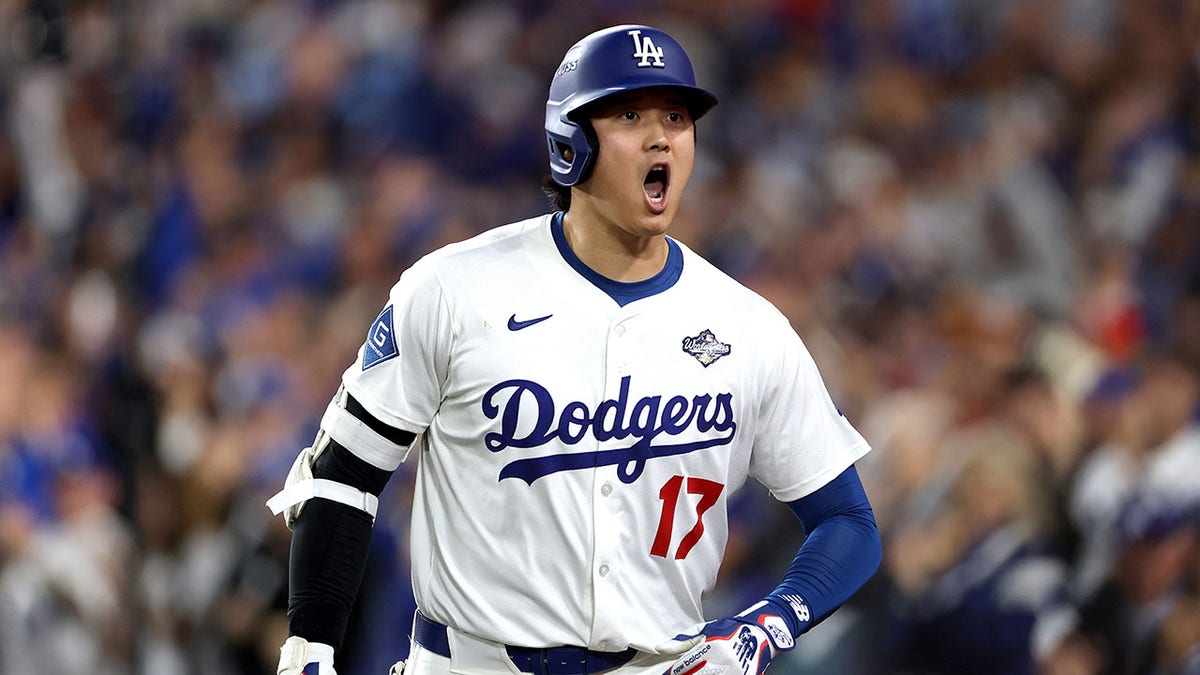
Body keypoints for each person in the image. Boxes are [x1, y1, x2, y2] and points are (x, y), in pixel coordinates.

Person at [268, 24, 882, 675]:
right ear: (570, 143)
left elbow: (848, 522)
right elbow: (344, 473)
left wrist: (766, 625)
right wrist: (311, 644)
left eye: (677, 116)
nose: (660, 136)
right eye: (629, 114)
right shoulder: (454, 289)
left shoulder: (747, 325)